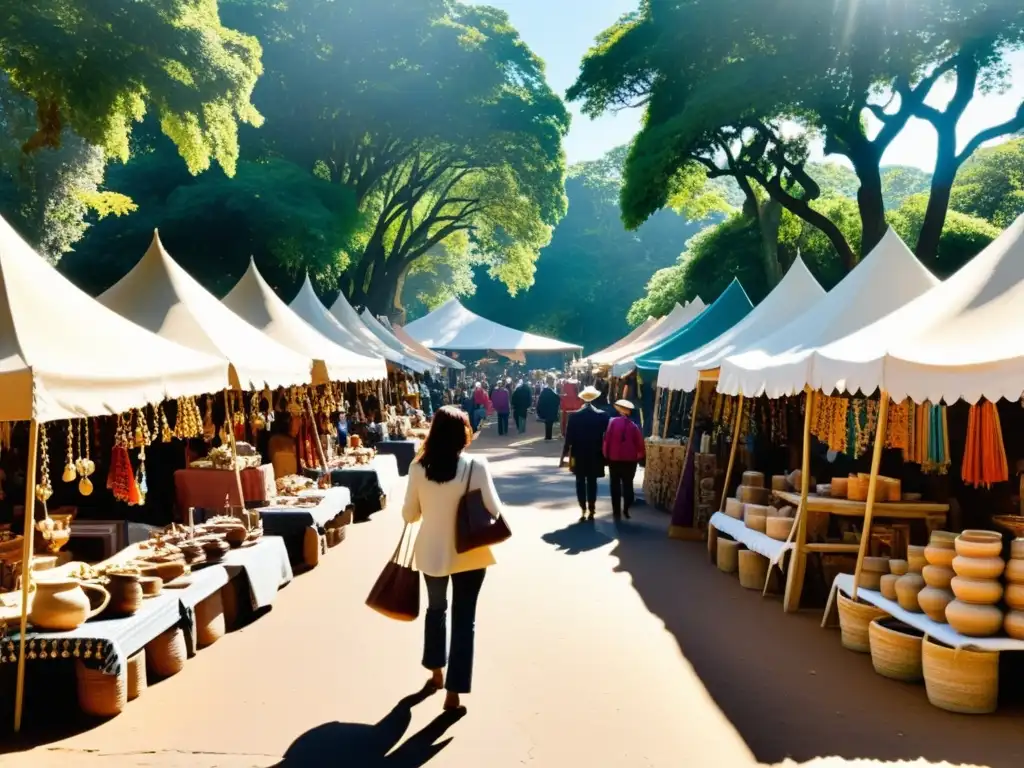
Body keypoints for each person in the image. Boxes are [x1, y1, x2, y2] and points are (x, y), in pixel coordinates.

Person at [401, 406, 504, 712]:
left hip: (431, 553)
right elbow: (494, 510)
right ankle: (454, 693)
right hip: (470, 553)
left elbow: (410, 515)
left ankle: (436, 674)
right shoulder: (475, 466)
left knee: (436, 611)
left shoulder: (418, 468)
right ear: (464, 433)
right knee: (464, 620)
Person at [560, 386, 611, 521]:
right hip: (596, 453)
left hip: (578, 453)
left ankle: (582, 507)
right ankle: (592, 507)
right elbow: (607, 436)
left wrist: (564, 455)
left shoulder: (575, 416)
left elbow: (568, 438)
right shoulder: (602, 416)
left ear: (582, 398)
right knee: (592, 481)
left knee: (580, 480)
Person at [603, 400, 645, 520]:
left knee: (614, 484)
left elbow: (607, 439)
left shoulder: (612, 422)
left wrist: (606, 454)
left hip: (614, 458)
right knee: (628, 484)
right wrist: (639, 456)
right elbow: (639, 444)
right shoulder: (634, 426)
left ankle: (616, 510)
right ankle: (626, 509)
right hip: (630, 459)